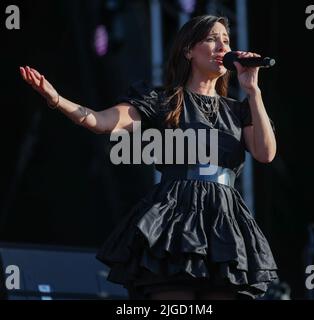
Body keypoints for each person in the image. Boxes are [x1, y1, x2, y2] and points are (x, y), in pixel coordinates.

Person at [20, 15, 278, 300]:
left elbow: (265, 153)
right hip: (176, 216)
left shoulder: (239, 110)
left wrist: (253, 91)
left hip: (223, 221)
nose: (222, 46)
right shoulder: (164, 100)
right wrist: (57, 99)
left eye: (226, 40)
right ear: (188, 50)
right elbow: (101, 121)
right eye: (211, 39)